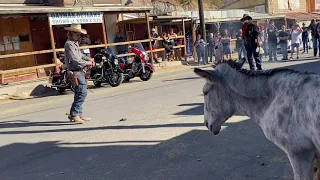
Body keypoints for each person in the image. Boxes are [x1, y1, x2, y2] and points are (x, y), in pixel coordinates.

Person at [64, 24, 94, 123]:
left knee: (80, 92)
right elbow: (75, 59)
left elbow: (80, 55)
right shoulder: (69, 44)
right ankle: (74, 114)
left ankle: (78, 114)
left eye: (78, 33)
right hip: (75, 71)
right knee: (82, 92)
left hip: (79, 70)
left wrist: (89, 59)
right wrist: (87, 63)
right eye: (76, 33)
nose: (78, 35)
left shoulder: (74, 43)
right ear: (71, 33)